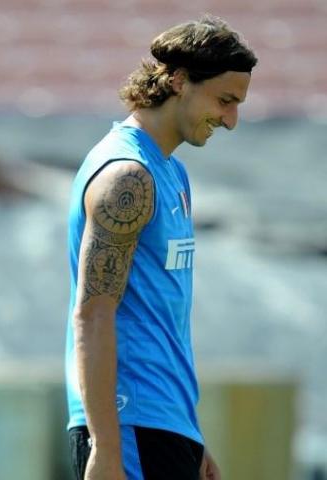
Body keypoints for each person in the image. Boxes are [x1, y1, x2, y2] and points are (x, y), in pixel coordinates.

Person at [65, 16, 257, 480]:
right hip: (128, 427)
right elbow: (93, 314)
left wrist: (186, 432)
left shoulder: (170, 172)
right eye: (225, 101)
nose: (231, 121)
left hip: (160, 425)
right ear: (177, 80)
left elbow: (156, 314)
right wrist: (108, 448)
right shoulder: (128, 177)